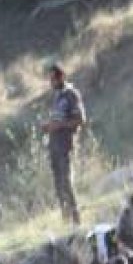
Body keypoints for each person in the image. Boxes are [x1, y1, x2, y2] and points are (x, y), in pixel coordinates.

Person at [40, 60, 86, 226]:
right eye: (50, 79)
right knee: (58, 185)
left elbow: (80, 120)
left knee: (67, 183)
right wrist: (48, 127)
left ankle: (76, 219)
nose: (52, 82)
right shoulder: (56, 98)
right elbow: (56, 120)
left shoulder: (71, 95)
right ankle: (66, 220)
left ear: (62, 77)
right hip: (54, 146)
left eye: (54, 79)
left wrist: (59, 126)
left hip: (66, 145)